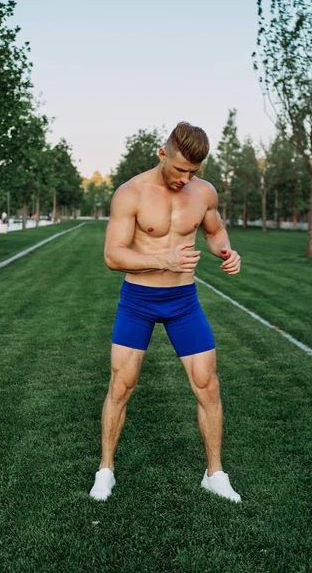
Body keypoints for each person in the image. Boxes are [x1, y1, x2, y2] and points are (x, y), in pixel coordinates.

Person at [89, 122, 242, 503]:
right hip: (138, 301)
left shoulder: (204, 192)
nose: (185, 178)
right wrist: (164, 259)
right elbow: (112, 255)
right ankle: (105, 470)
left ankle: (215, 474)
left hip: (183, 302)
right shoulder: (131, 193)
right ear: (162, 154)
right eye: (179, 169)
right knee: (121, 385)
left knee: (208, 384)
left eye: (193, 171)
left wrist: (226, 250)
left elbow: (214, 230)